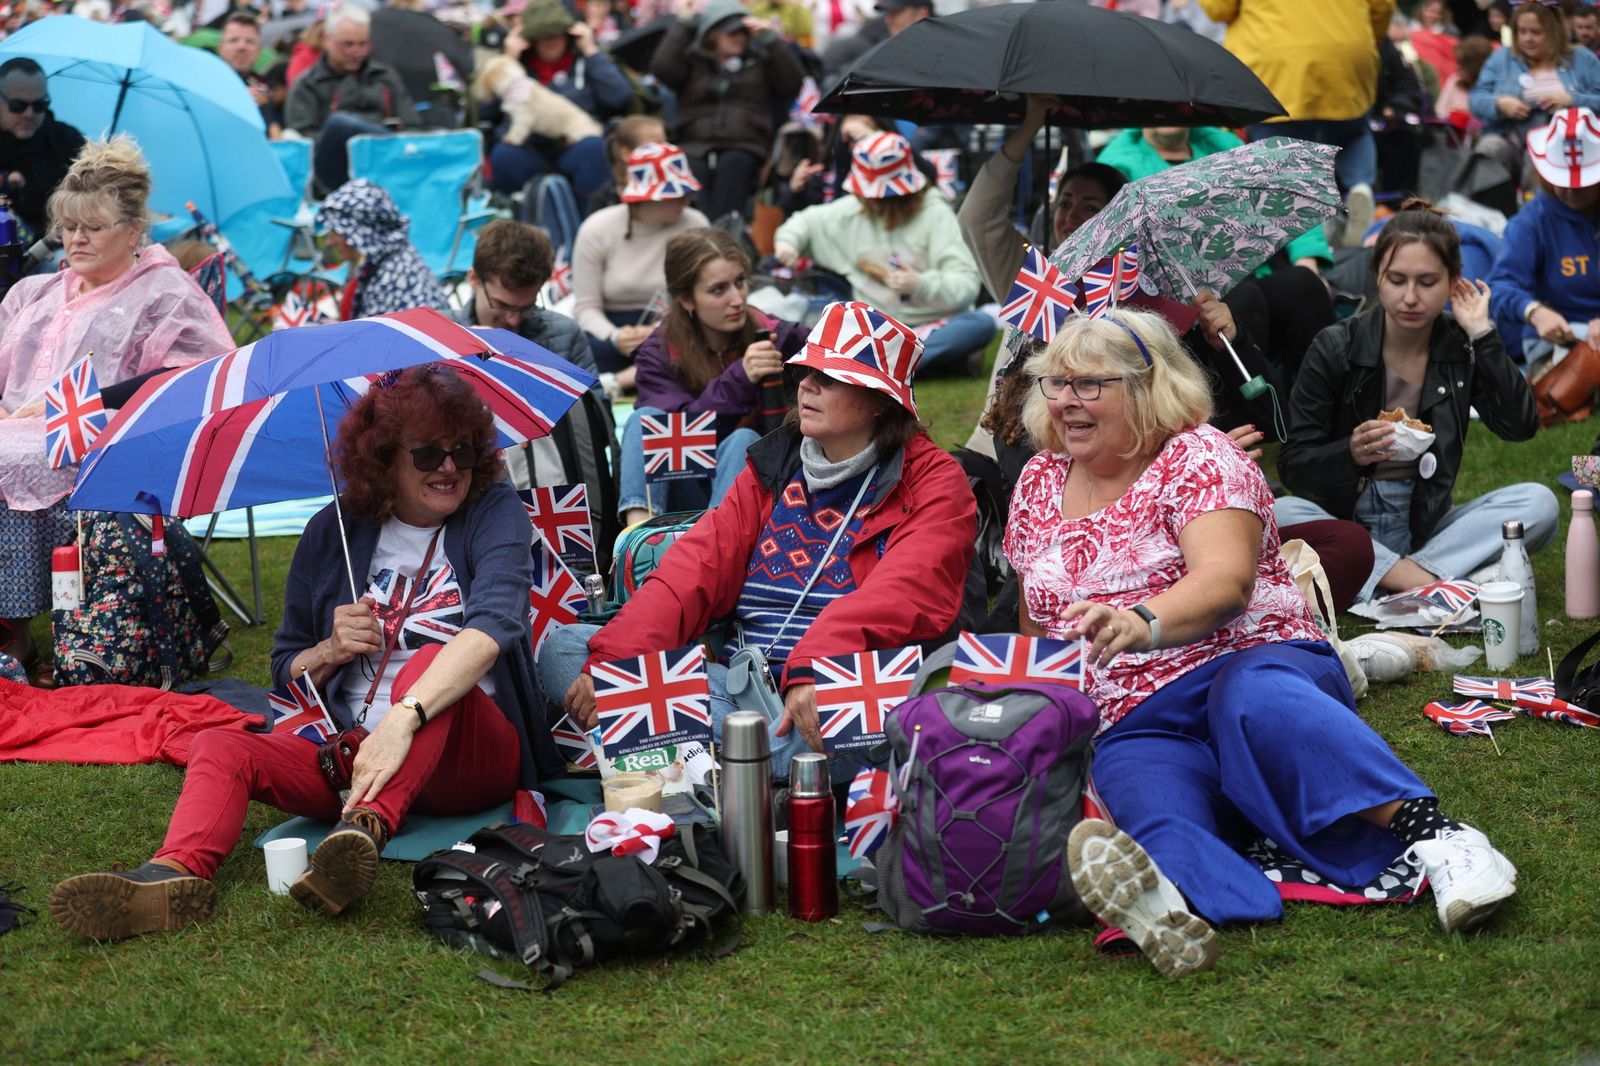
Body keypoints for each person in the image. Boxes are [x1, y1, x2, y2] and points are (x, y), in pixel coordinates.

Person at [1006, 308, 1518, 954]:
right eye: (1054, 383)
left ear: (1145, 384)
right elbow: (1036, 618)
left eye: (1089, 386)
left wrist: (1142, 622)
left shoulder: (1197, 456)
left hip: (1245, 663)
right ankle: (1173, 901)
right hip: (1135, 715)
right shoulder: (1038, 481)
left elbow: (1226, 583)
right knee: (1145, 792)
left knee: (1252, 704)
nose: (1065, 403)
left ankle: (1440, 838)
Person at [49, 364, 562, 939]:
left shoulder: (494, 511)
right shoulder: (331, 531)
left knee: (430, 662)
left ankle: (364, 834)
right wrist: (329, 649)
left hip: (467, 756)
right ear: (384, 459)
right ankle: (171, 877)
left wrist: (401, 721)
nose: (449, 467)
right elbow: (283, 668)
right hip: (350, 752)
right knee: (221, 744)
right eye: (427, 454)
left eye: (463, 452)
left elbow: (492, 629)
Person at [537, 300, 976, 780]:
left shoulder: (933, 481)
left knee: (858, 723)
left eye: (827, 378)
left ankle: (685, 749)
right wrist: (616, 662)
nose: (805, 385)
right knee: (565, 649)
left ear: (875, 398)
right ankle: (735, 758)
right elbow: (696, 566)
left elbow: (904, 595)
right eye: (806, 372)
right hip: (735, 680)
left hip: (834, 687)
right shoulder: (775, 463)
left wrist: (811, 670)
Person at [0, 137, 232, 671]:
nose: (75, 239)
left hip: (108, 445)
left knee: (17, 459)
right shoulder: (34, 293)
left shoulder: (162, 293)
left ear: (134, 230)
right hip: (23, 432)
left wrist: (86, 403)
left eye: (92, 227)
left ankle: (16, 629)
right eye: (68, 227)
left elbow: (197, 377)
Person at [1279, 200, 1555, 601]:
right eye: (1397, 280)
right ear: (1377, 276)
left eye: (1427, 283)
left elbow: (1521, 426)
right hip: (1346, 527)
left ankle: (1400, 577)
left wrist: (1484, 335)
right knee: (1279, 512)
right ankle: (1429, 582)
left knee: (1540, 502)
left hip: (1428, 526)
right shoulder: (1336, 345)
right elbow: (1294, 466)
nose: (1410, 297)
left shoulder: (1461, 345)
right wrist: (1350, 453)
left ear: (1453, 282)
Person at [1094, 121, 1336, 388]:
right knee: (1243, 298)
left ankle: (1312, 408)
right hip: (1181, 292)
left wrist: (1307, 258)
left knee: (1304, 284)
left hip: (1247, 264)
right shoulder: (1117, 160)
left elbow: (1280, 196)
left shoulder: (1223, 142)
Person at [619, 227, 809, 525]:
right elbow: (688, 437)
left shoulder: (778, 336)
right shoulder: (657, 353)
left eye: (740, 282)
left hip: (755, 495)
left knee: (743, 440)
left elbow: (841, 358)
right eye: (718, 289)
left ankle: (715, 549)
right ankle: (638, 544)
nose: (736, 299)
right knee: (644, 420)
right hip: (681, 490)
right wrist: (741, 377)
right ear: (686, 299)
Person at [774, 132, 995, 375]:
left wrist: (919, 283)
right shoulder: (850, 213)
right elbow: (803, 223)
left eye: (886, 197)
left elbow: (965, 286)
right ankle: (904, 365)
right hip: (875, 330)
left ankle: (876, 367)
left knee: (981, 325)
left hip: (935, 324)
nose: (877, 203)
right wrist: (788, 244)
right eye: (870, 197)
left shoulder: (936, 215)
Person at [1202, 0, 1391, 246]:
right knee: (1352, 132)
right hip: (1347, 54)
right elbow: (1383, 7)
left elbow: (1218, 9)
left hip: (1276, 58)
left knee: (1281, 146)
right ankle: (1360, 186)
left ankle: (1311, 216)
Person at [571, 141, 710, 393]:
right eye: (675, 195)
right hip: (610, 332)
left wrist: (661, 331)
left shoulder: (695, 224)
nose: (686, 201)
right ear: (645, 198)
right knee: (574, 350)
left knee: (691, 347)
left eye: (686, 193)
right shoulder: (597, 228)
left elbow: (702, 294)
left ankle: (618, 382)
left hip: (677, 328)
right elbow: (586, 307)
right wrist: (616, 337)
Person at [651, 0, 806, 221]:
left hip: (744, 145)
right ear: (712, 34)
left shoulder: (760, 62)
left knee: (732, 165)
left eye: (743, 32)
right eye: (730, 32)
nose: (738, 37)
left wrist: (771, 39)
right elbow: (662, 68)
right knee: (692, 174)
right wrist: (684, 24)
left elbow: (793, 84)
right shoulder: (694, 62)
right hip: (695, 144)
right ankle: (702, 234)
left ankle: (724, 233)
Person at [488, 0, 632, 202]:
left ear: (568, 35)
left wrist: (591, 50)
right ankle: (522, 225)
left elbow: (619, 98)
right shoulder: (517, 67)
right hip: (531, 147)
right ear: (531, 39)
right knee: (504, 155)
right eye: (542, 36)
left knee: (594, 149)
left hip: (577, 145)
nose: (550, 41)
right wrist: (509, 60)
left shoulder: (586, 61)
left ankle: (588, 224)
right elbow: (486, 111)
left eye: (556, 34)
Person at [1487, 108, 1600, 359]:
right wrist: (1534, 311)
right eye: (1562, 182)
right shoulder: (1532, 221)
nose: (1571, 192)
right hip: (1559, 342)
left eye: (1582, 186)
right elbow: (1500, 286)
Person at [284, 5, 420, 196]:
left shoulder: (384, 77)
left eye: (362, 44)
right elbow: (303, 142)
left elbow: (412, 125)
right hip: (334, 174)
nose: (356, 51)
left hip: (387, 167)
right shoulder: (308, 84)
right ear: (327, 40)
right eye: (347, 44)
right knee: (340, 125)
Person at [1470, 1, 1600, 183]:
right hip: (1510, 138)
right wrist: (1499, 104)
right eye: (1522, 31)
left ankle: (1534, 207)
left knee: (1541, 154)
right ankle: (1487, 209)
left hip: (1564, 143)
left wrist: (1573, 100)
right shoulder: (1501, 58)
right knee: (1489, 148)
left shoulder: (1583, 59)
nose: (1527, 39)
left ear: (1554, 32)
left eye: (1536, 32)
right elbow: (1476, 99)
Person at [315, 178, 446, 319]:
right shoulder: (376, 262)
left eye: (336, 233)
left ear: (359, 233)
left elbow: (371, 335)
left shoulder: (394, 274)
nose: (329, 242)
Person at [0, 56, 86, 242]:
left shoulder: (68, 141)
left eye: (39, 105)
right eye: (18, 106)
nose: (29, 114)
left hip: (54, 249)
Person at [217, 11, 282, 138]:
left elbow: (275, 132)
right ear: (220, 48)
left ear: (259, 50)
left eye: (250, 41)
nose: (242, 46)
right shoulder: (206, 84)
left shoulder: (265, 86)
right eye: (234, 40)